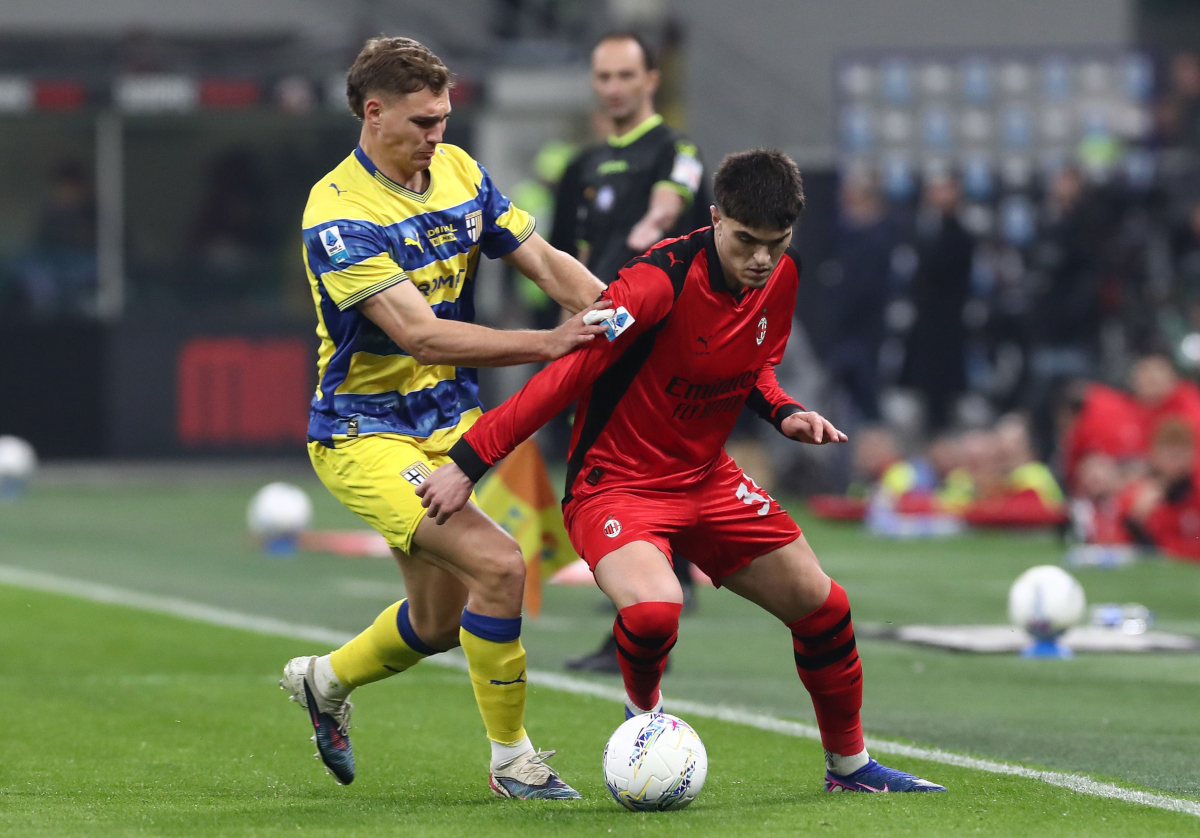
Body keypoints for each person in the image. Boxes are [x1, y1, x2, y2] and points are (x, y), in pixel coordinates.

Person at [418, 149, 945, 793]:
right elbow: (561, 379)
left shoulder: (781, 276)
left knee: (824, 605)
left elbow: (754, 365)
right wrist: (468, 465)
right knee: (655, 612)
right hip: (616, 483)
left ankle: (852, 769)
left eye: (774, 245)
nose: (759, 260)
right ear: (716, 218)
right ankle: (644, 728)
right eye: (745, 241)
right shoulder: (654, 284)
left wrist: (784, 413)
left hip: (707, 477)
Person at [280, 36, 610, 800]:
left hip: (447, 424)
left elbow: (547, 261)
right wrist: (553, 343)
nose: (439, 134)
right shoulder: (337, 214)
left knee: (435, 622)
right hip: (365, 434)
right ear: (374, 113)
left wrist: (621, 313)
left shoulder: (458, 171)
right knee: (500, 566)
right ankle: (513, 763)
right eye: (425, 121)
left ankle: (324, 682)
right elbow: (420, 334)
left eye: (446, 116)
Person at [551, 30, 708, 673]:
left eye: (625, 76)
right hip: (600, 340)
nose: (614, 87)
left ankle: (650, 622)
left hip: (657, 344)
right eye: (604, 77)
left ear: (650, 82)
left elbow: (672, 200)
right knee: (618, 478)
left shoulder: (678, 150)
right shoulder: (582, 168)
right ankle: (652, 612)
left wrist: (649, 228)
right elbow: (558, 258)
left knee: (620, 480)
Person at [899, 174, 974, 431]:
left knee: (942, 386)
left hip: (947, 322)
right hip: (928, 320)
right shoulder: (923, 228)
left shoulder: (959, 234)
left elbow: (937, 270)